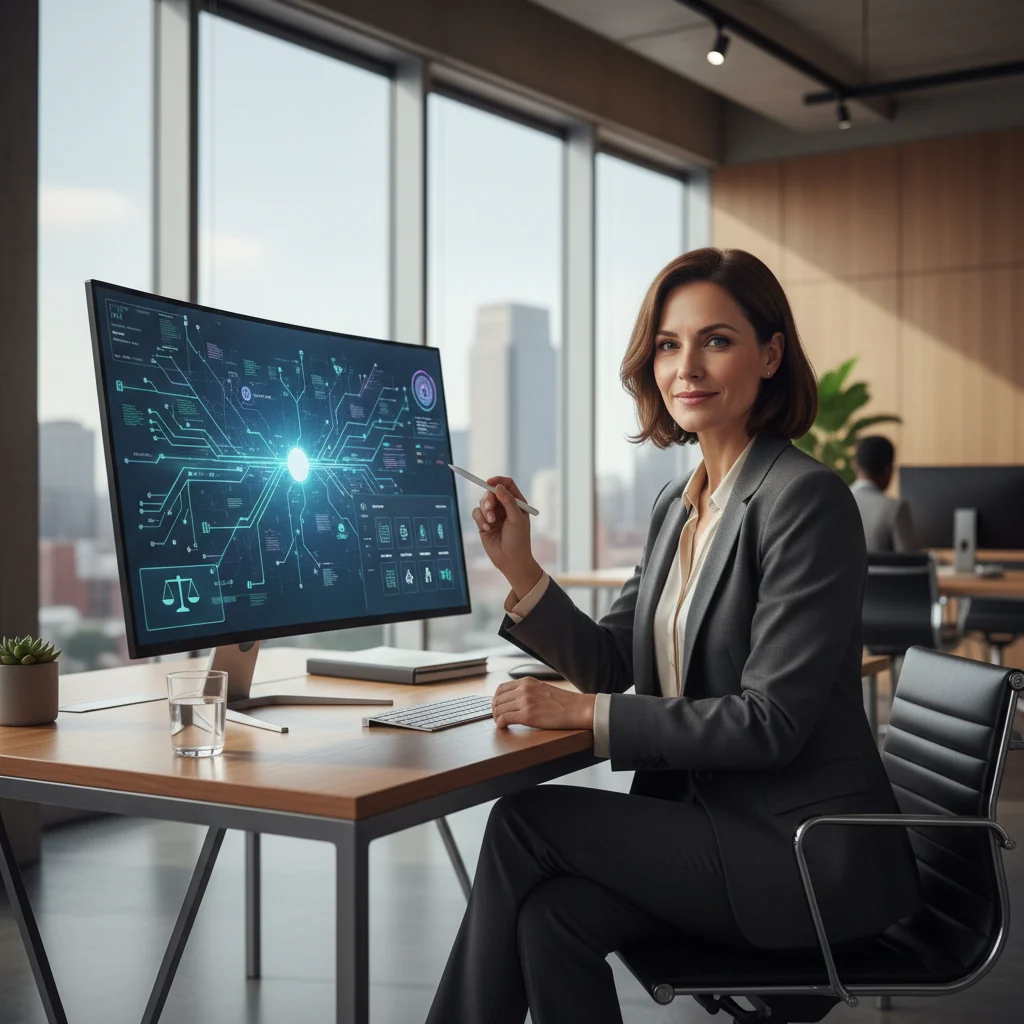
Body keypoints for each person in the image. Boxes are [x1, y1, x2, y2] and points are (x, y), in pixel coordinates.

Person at [425, 248, 922, 1024]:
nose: (686, 365)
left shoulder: (806, 501)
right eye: (667, 343)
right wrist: (519, 568)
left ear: (771, 354)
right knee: (550, 917)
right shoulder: (678, 505)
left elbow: (771, 723)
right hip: (710, 827)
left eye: (716, 340)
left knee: (525, 821)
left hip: (797, 850)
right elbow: (609, 660)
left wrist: (584, 718)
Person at [850, 435, 918, 552]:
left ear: (854, 465)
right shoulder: (895, 509)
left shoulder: (835, 501)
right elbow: (910, 561)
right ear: (889, 470)